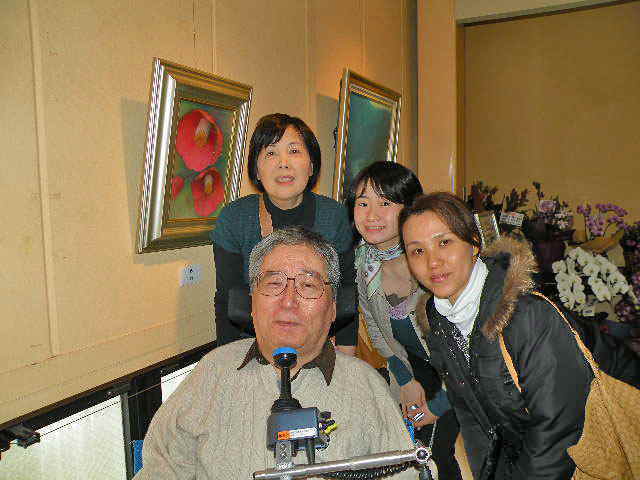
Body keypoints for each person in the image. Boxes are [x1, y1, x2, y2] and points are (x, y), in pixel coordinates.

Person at [134, 227, 416, 479]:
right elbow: (162, 469)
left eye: (308, 285)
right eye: (273, 284)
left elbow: (410, 473)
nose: (289, 301)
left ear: (333, 308)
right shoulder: (213, 371)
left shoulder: (365, 386)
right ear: (251, 303)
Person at [399, 192, 638, 480]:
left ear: (474, 244)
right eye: (417, 251)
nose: (433, 262)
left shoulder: (526, 315)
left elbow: (557, 432)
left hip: (597, 442)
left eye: (444, 242)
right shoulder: (439, 320)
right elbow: (474, 419)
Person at [346, 162, 463, 480]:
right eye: (363, 203)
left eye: (385, 203)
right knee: (409, 456)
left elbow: (472, 350)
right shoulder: (364, 263)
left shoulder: (436, 263)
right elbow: (378, 333)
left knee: (436, 454)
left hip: (465, 376)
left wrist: (439, 405)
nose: (372, 215)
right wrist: (406, 382)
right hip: (416, 372)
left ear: (410, 207)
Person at [211, 113, 357, 354]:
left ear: (311, 166)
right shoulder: (234, 219)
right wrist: (228, 361)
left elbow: (346, 291)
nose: (283, 163)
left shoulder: (335, 216)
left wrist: (346, 354)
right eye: (271, 153)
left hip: (320, 344)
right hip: (254, 346)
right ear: (256, 170)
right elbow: (227, 300)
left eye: (294, 151)